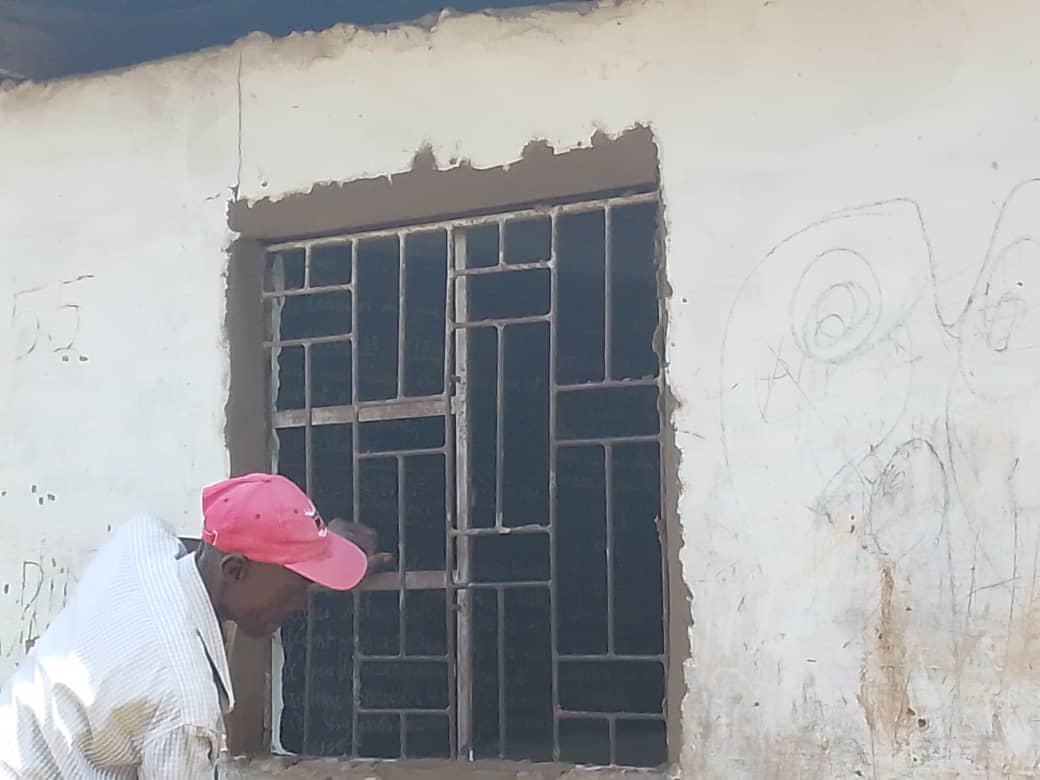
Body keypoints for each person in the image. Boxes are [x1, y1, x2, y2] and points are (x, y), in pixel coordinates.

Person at [0, 473, 385, 778]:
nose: (301, 604)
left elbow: (202, 549)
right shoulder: (184, 701)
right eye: (294, 587)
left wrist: (313, 547)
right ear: (235, 571)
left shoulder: (140, 540)